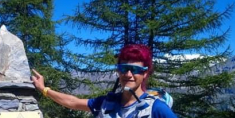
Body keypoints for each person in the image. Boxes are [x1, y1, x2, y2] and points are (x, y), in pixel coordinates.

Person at [31, 44, 177, 118]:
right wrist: (43, 89)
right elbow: (73, 102)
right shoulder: (106, 104)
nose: (128, 74)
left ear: (145, 73)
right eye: (123, 68)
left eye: (136, 69)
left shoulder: (156, 108)